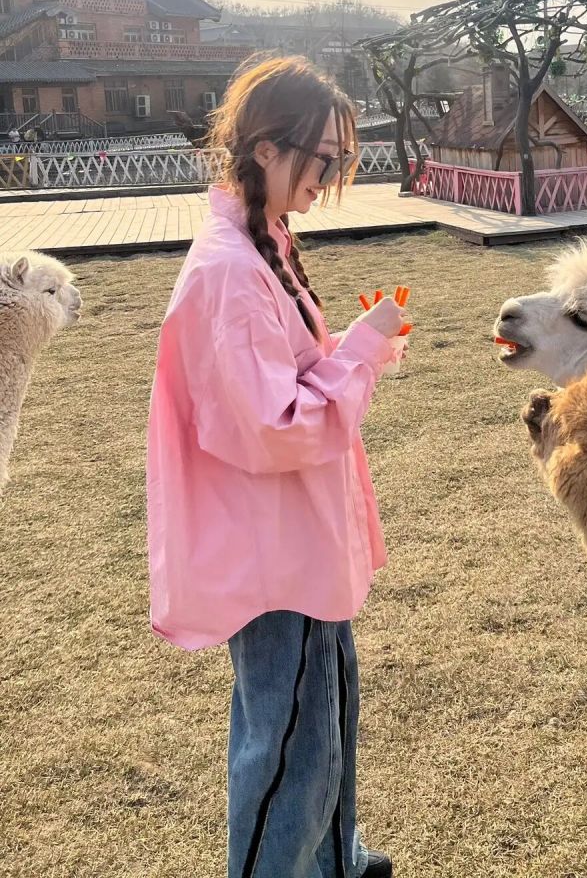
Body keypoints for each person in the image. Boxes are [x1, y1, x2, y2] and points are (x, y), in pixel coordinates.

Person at [147, 56, 405, 878]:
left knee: (322, 722)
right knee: (291, 746)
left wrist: (350, 348)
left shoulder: (264, 243)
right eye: (321, 159)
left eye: (337, 161)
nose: (328, 178)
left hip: (298, 537)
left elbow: (284, 377)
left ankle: (336, 861)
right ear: (264, 148)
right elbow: (274, 425)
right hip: (273, 548)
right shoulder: (229, 269)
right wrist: (359, 354)